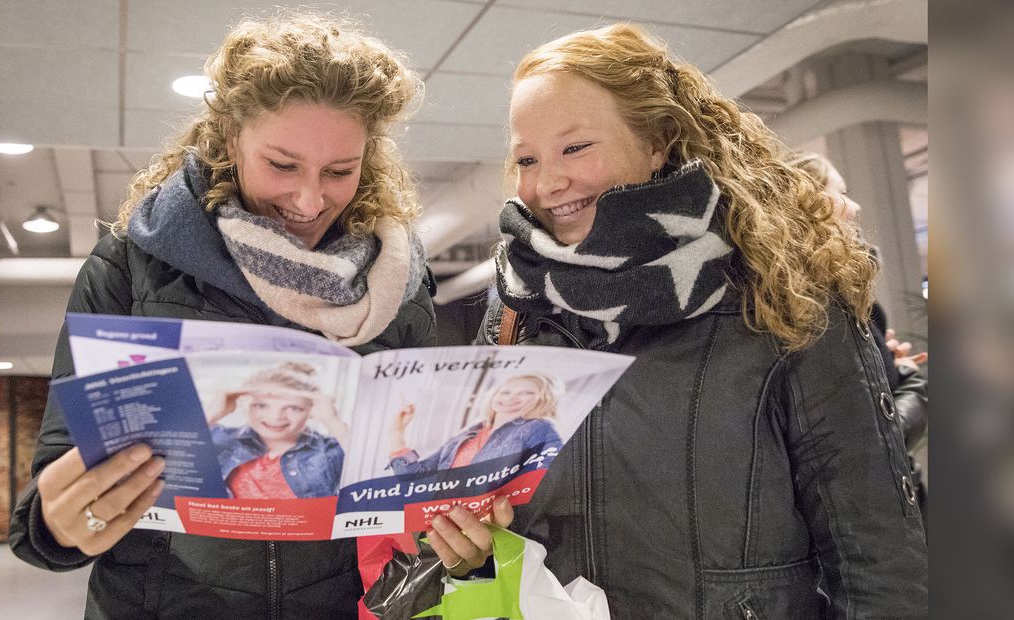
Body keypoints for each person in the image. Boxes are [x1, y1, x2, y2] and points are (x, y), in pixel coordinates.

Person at [415, 23, 927, 619]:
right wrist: (469, 547)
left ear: (658, 140)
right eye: (526, 158)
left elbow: (878, 559)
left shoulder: (781, 295)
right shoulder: (518, 308)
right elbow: (497, 508)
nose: (547, 182)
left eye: (575, 147)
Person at [8, 11, 434, 619]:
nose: (311, 200)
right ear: (230, 141)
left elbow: (404, 476)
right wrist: (59, 523)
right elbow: (54, 481)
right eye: (282, 165)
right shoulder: (133, 264)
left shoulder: (398, 284)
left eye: (340, 171)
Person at [788, 151, 930, 522]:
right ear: (811, 201)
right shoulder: (816, 303)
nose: (854, 207)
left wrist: (890, 367)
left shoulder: (837, 293)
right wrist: (915, 387)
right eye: (841, 192)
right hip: (873, 515)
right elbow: (868, 442)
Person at [206, 362, 348, 499]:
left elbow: (366, 474)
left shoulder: (331, 451)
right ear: (243, 403)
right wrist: (212, 413)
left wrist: (332, 421)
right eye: (261, 405)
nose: (276, 417)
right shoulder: (219, 438)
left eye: (294, 408)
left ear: (311, 410)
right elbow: (184, 462)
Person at [387, 373, 564, 474]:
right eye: (506, 392)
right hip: (443, 518)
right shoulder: (469, 433)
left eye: (526, 393)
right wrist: (397, 431)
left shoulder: (540, 428)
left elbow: (545, 476)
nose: (511, 398)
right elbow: (416, 478)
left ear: (542, 399)